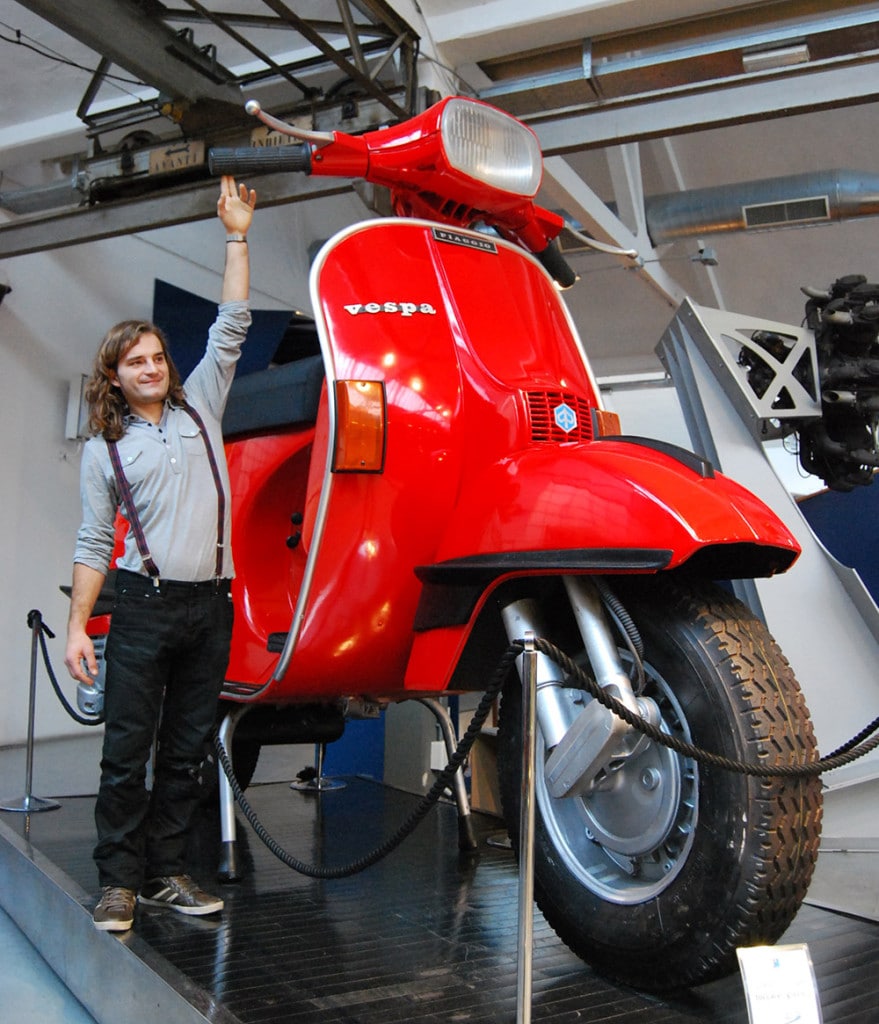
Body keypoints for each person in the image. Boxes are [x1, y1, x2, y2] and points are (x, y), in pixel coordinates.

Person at [64, 176, 257, 932]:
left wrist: (235, 234)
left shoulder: (202, 403)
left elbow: (231, 324)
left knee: (186, 751)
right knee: (125, 753)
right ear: (115, 375)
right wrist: (80, 626)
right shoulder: (103, 449)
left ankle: (167, 871)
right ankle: (117, 881)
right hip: (141, 606)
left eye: (156, 356)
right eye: (135, 361)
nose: (151, 367)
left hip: (211, 604)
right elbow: (89, 543)